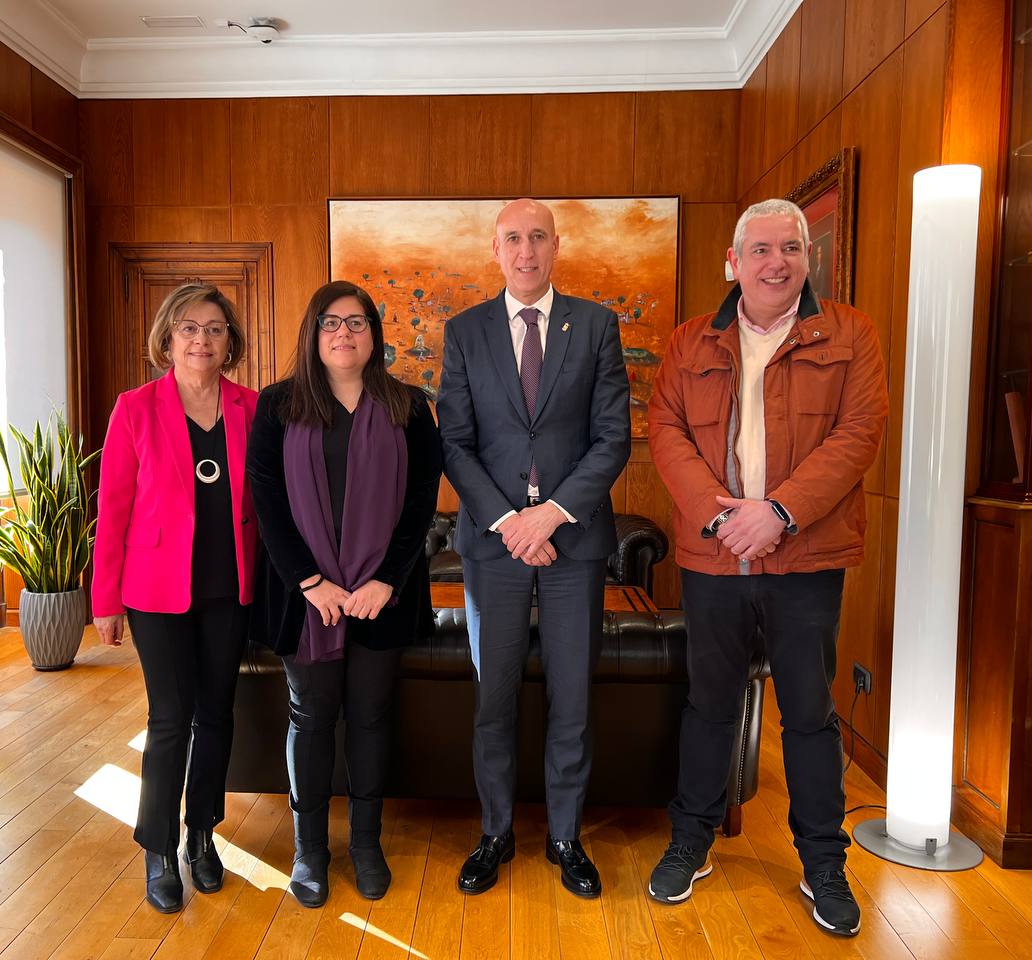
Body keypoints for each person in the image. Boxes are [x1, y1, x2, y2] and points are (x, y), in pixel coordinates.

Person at [647, 199, 888, 936]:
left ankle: (823, 864)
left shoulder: (851, 334)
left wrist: (778, 511)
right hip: (713, 558)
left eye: (790, 248)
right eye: (760, 249)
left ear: (807, 258)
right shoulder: (691, 342)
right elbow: (665, 432)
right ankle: (692, 839)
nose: (775, 262)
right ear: (734, 261)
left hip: (806, 557)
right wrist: (723, 517)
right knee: (708, 703)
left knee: (809, 718)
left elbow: (859, 434)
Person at [437, 198, 630, 899]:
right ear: (495, 249)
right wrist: (509, 523)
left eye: (538, 237)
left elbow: (613, 439)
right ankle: (494, 833)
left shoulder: (598, 326)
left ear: (557, 246)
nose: (527, 251)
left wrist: (548, 515)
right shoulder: (463, 332)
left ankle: (564, 836)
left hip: (574, 546)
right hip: (494, 551)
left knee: (572, 699)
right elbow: (453, 443)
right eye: (513, 238)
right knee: (495, 700)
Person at [248, 280, 442, 908]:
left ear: (374, 336)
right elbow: (268, 504)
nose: (344, 334)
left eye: (357, 323)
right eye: (331, 323)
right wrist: (312, 582)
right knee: (310, 717)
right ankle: (310, 850)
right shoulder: (278, 406)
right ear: (314, 333)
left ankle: (365, 843)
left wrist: (385, 580)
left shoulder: (409, 406)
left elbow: (420, 504)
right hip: (307, 600)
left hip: (381, 596)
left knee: (370, 717)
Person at [91, 283, 260, 914]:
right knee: (169, 720)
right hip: (156, 589)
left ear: (229, 342)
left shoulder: (250, 406)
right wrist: (103, 599)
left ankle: (201, 836)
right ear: (168, 337)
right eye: (189, 328)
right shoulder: (135, 408)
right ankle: (158, 848)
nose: (201, 340)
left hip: (228, 586)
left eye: (214, 329)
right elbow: (113, 510)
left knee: (217, 715)